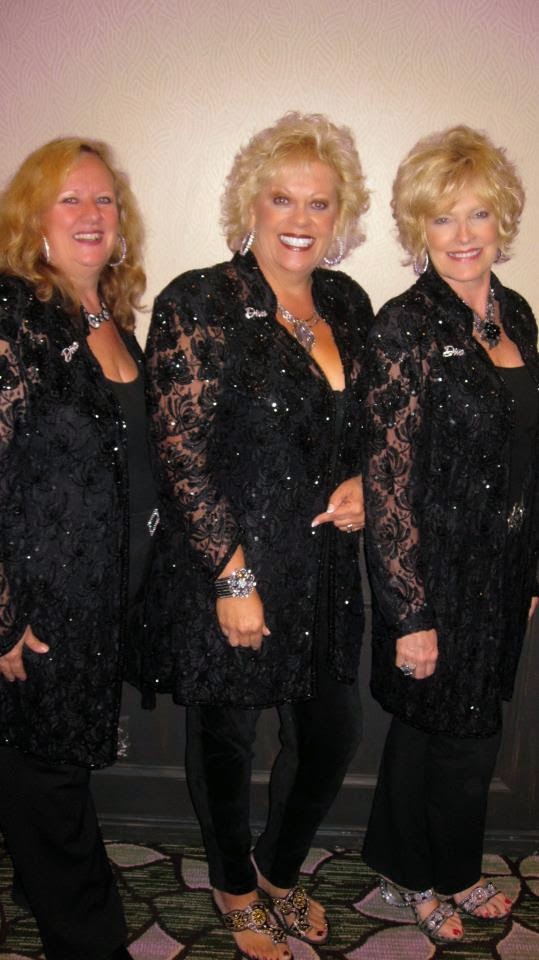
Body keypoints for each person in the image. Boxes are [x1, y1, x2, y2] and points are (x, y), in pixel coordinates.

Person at [141, 112, 373, 960]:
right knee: (228, 740)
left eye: (319, 202)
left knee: (330, 735)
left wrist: (363, 484)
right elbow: (180, 454)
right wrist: (232, 577)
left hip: (322, 566)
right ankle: (232, 885)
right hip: (231, 561)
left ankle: (276, 869)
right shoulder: (199, 300)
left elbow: (368, 426)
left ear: (340, 215)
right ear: (251, 203)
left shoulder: (346, 301)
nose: (300, 218)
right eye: (282, 198)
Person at [362, 125, 538, 944]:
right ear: (417, 230)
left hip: (501, 570)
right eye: (441, 218)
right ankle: (434, 875)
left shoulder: (517, 315)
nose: (462, 235)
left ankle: (419, 865)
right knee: (450, 733)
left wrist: (531, 568)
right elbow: (387, 481)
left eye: (476, 214)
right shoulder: (403, 327)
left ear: (501, 220)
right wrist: (409, 613)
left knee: (449, 729)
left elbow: (527, 454)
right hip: (432, 571)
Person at [0, 137, 156, 960]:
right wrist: (1, 617)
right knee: (48, 771)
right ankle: (88, 939)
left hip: (101, 595)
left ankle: (38, 885)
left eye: (104, 200)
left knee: (52, 762)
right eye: (70, 198)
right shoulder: (13, 314)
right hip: (40, 599)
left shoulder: (108, 316)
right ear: (33, 217)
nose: (91, 214)